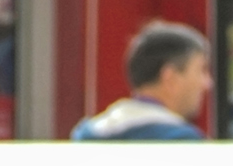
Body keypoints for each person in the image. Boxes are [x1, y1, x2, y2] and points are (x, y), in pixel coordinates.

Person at [71, 21, 211, 141]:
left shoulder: (87, 135)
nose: (207, 83)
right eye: (201, 70)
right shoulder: (181, 142)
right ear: (170, 78)